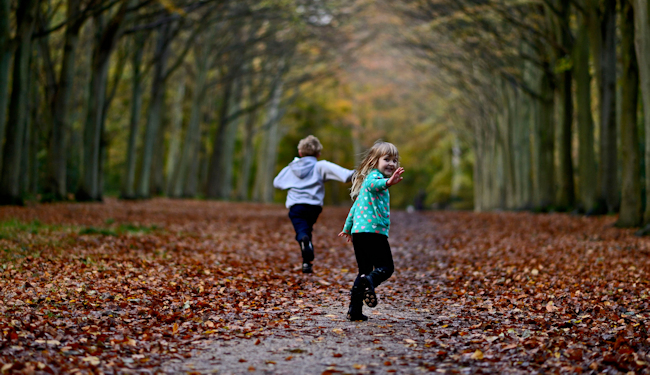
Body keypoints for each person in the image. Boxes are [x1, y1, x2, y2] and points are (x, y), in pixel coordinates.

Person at [338, 140, 404, 321]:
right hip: (373, 232)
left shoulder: (369, 183)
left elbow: (354, 209)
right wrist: (389, 182)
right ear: (375, 161)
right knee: (386, 267)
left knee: (364, 270)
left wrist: (347, 229)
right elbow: (376, 185)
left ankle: (355, 310)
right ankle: (370, 283)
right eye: (387, 159)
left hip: (360, 234)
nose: (391, 163)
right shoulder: (374, 179)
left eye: (394, 160)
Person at [274, 135, 354, 274]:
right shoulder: (320, 166)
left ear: (300, 153)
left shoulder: (292, 167)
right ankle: (307, 263)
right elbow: (347, 176)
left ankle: (305, 246)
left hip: (296, 206)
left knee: (302, 230)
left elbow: (278, 183)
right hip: (314, 207)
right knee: (307, 229)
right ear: (318, 154)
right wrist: (366, 171)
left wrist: (295, 182)